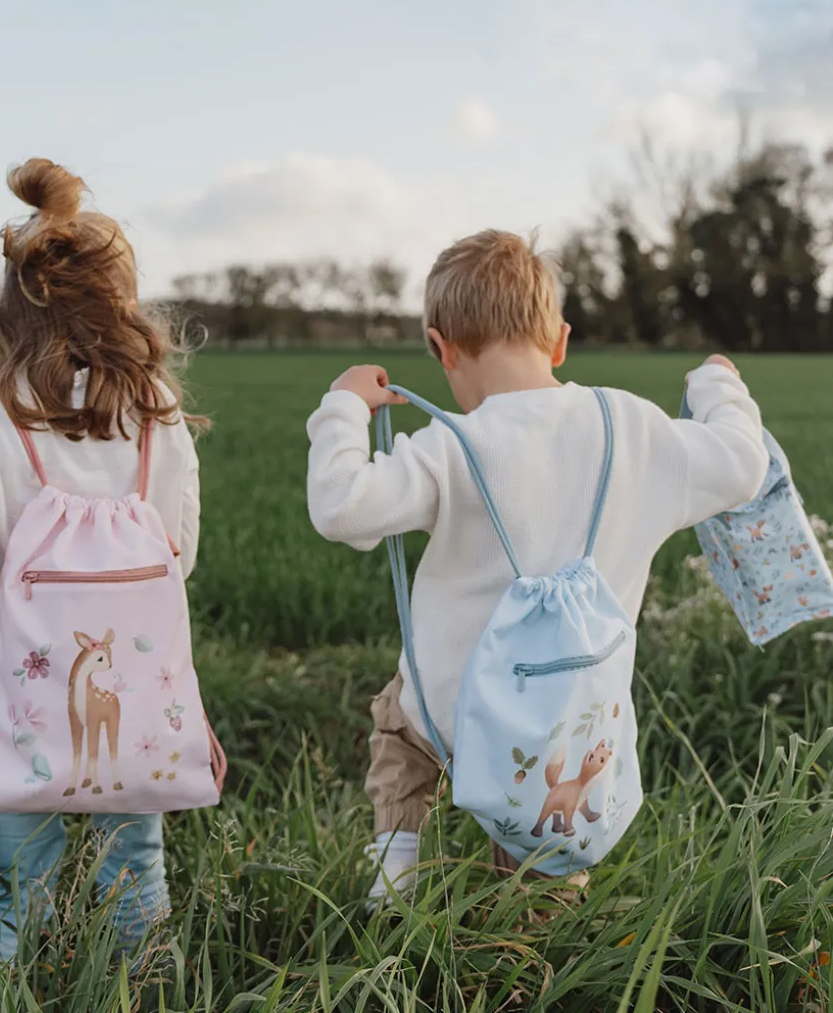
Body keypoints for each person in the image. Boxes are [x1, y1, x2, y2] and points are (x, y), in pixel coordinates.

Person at [306, 229, 769, 908]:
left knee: (398, 729)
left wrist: (345, 405)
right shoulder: (633, 428)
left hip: (449, 708)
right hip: (565, 713)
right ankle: (533, 943)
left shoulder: (452, 443)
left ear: (441, 347)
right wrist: (717, 384)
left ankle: (395, 885)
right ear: (560, 341)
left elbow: (340, 506)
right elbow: (741, 462)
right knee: (547, 830)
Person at [0, 159, 204, 999]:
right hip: (137, 685)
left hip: (11, 685)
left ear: (10, 302)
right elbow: (179, 549)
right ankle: (144, 993)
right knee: (135, 875)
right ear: (122, 302)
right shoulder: (155, 407)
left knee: (18, 886)